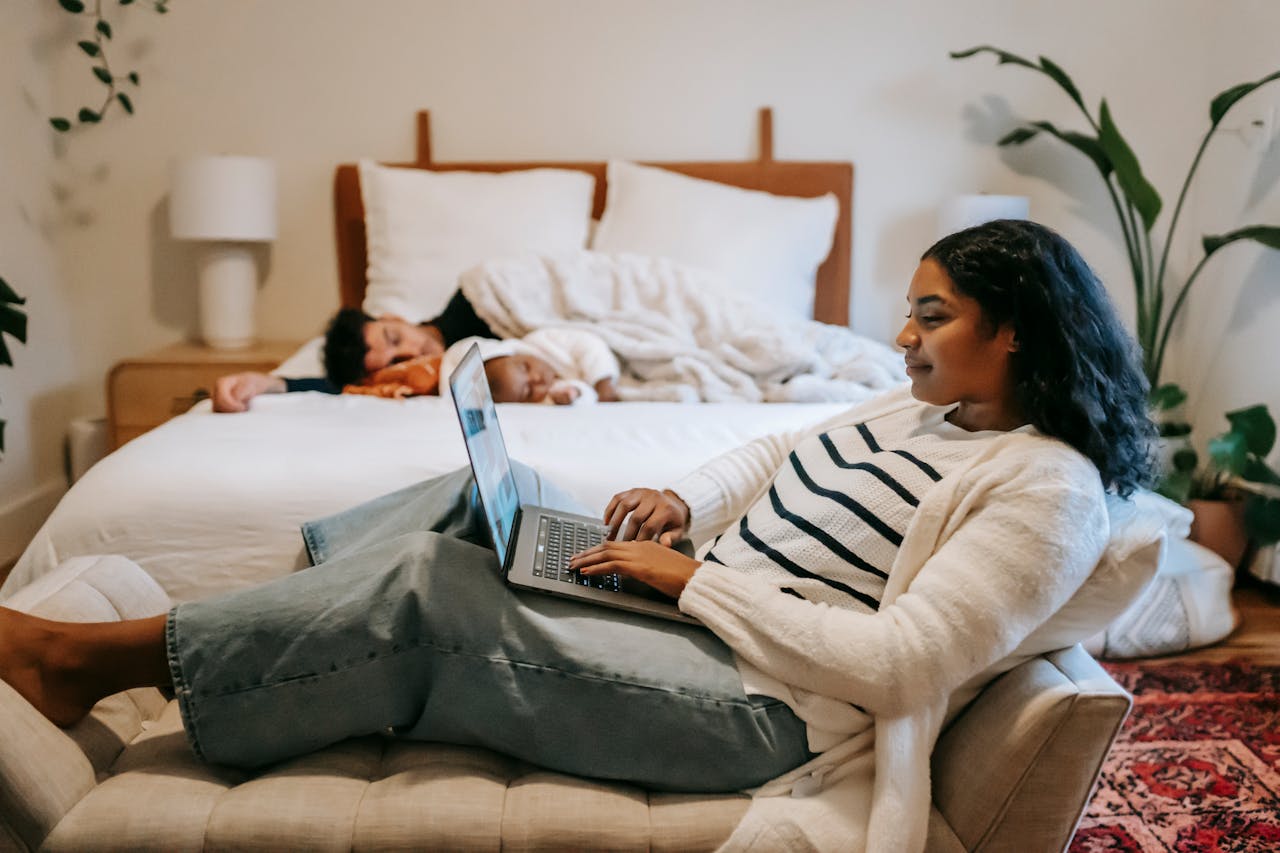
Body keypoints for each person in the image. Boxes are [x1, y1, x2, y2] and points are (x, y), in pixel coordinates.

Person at [0, 220, 1155, 851]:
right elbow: (768, 451)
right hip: (698, 608)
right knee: (468, 506)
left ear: (1015, 335)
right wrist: (685, 508)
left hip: (764, 705)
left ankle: (77, 662)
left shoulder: (1044, 492)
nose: (898, 333)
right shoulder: (923, 404)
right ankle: (279, 636)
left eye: (931, 313)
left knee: (428, 588)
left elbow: (901, 662)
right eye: (907, 307)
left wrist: (694, 580)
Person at [212, 290, 496, 412]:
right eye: (395, 363)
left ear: (394, 318)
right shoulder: (416, 381)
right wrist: (268, 382)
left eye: (395, 338)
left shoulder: (474, 305)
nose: (411, 354)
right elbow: (344, 388)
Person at [439, 329, 621, 405]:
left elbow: (588, 344)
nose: (535, 379)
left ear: (517, 353)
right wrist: (574, 396)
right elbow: (584, 396)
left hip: (616, 361)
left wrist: (603, 381)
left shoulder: (543, 341)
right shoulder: (548, 398)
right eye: (527, 391)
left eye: (525, 367)